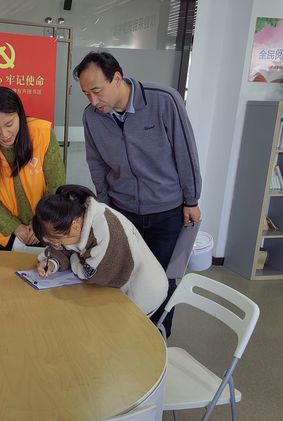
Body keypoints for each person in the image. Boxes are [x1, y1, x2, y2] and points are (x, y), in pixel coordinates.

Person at [73, 51, 202, 336]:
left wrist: (191, 199)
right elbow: (96, 163)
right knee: (125, 275)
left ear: (117, 79)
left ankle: (157, 338)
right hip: (123, 210)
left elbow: (185, 151)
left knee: (163, 280)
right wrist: (105, 207)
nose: (93, 101)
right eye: (86, 94)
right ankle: (126, 337)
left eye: (97, 91)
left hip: (167, 210)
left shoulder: (163, 101)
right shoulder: (92, 117)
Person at [32, 185, 168, 316]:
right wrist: (52, 263)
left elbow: (89, 274)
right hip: (115, 290)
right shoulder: (75, 220)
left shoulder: (104, 231)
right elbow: (67, 247)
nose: (55, 245)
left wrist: (73, 257)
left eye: (56, 241)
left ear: (75, 226)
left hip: (142, 292)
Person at [0, 87, 65, 250]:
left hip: (46, 224)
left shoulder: (42, 134)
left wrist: (40, 222)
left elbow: (56, 185)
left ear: (19, 114)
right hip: (10, 232)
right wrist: (14, 226)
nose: (4, 134)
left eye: (9, 124)